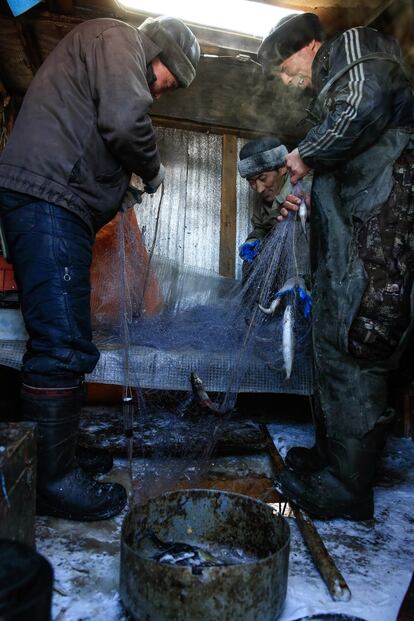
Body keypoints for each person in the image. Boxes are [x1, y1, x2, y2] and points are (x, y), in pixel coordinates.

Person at [0, 15, 200, 521]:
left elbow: (98, 133)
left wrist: (116, 190)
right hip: (49, 199)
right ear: (157, 53)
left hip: (53, 198)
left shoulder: (107, 52)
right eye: (165, 81)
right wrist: (153, 171)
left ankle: (57, 454)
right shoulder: (119, 39)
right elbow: (124, 121)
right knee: (62, 343)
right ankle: (52, 481)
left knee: (66, 333)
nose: (158, 93)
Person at [258, 13, 414, 519]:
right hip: (351, 240)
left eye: (284, 68)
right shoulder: (328, 94)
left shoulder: (353, 48)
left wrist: (307, 154)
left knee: (357, 340)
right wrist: (300, 191)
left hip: (378, 234)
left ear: (309, 46)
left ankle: (349, 488)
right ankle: (331, 459)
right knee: (330, 339)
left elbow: (363, 106)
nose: (287, 81)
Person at [237, 136, 311, 282]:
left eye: (263, 178)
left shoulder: (303, 187)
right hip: (280, 267)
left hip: (309, 267)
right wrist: (254, 239)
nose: (258, 189)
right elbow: (261, 226)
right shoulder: (265, 199)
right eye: (252, 182)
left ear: (283, 168)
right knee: (250, 260)